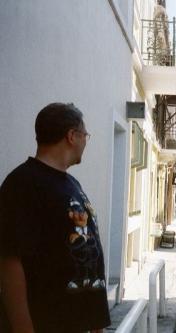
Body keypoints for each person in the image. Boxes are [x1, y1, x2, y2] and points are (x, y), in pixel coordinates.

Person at [0, 103, 110, 333]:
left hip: (78, 324)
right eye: (85, 135)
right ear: (71, 135)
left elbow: (89, 252)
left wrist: (96, 323)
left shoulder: (71, 184)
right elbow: (10, 262)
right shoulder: (23, 184)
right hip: (47, 323)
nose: (85, 142)